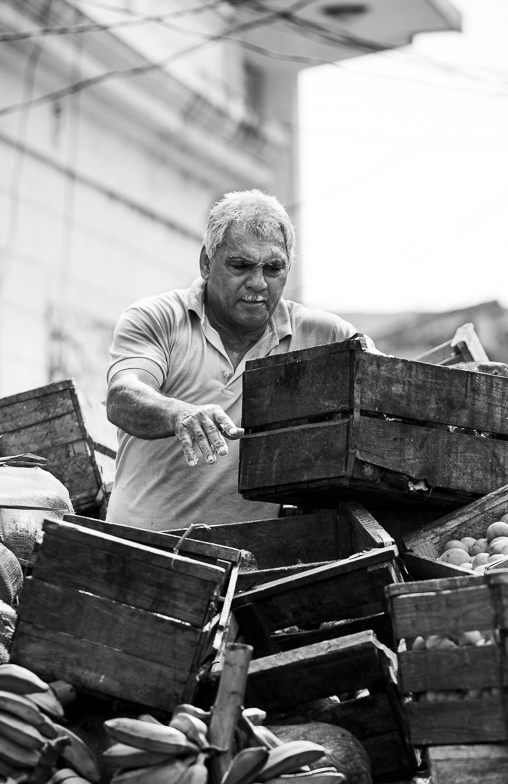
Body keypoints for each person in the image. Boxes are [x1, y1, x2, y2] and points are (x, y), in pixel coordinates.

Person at [105, 188, 378, 531]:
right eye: (240, 265)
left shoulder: (325, 335)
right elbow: (123, 394)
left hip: (252, 560)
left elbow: (391, 390)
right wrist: (180, 413)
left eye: (273, 268)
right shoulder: (157, 318)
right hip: (141, 548)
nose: (258, 283)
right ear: (207, 262)